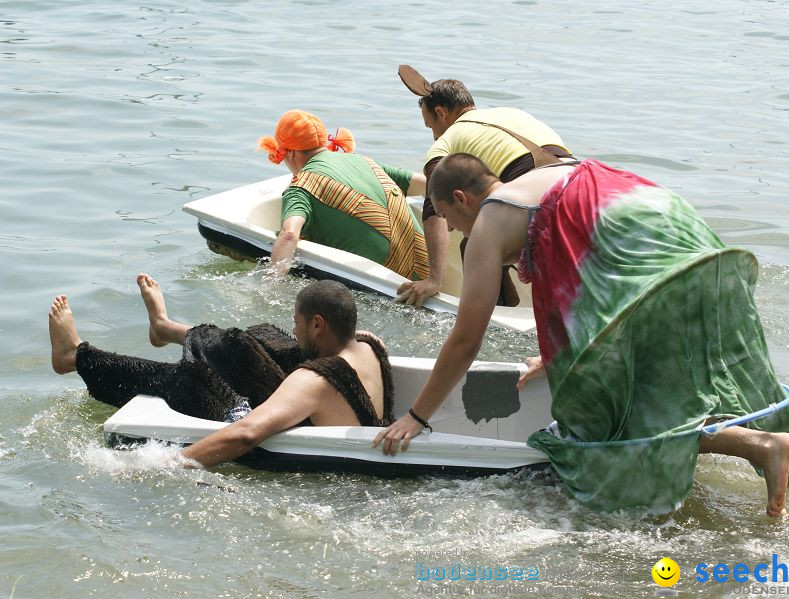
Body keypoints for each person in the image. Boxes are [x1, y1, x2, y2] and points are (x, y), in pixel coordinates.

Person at [373, 153, 789, 516]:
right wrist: (557, 357)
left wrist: (417, 416)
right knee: (675, 375)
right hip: (678, 233)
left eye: (453, 223)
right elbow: (581, 275)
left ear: (461, 199)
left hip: (639, 253)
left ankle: (760, 447)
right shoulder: (544, 177)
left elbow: (465, 338)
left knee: (604, 417)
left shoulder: (491, 220)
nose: (459, 233)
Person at [49, 275, 394, 468]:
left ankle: (74, 356)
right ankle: (165, 328)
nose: (295, 328)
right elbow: (298, 349)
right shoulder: (369, 345)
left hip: (285, 433)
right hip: (317, 413)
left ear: (318, 324)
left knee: (188, 379)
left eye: (298, 322)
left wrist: (163, 464)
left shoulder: (313, 383)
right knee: (253, 340)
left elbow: (245, 436)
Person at [394, 65, 574, 307]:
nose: (434, 136)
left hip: (537, 196)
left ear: (441, 112)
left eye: (431, 126)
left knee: (475, 243)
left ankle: (494, 317)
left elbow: (434, 206)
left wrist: (434, 279)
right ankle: (509, 305)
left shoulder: (445, 141)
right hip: (580, 179)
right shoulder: (511, 113)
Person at [258, 109, 429, 282]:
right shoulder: (364, 161)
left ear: (290, 152)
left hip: (388, 285)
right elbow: (427, 184)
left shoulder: (300, 187)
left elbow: (289, 235)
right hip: (426, 271)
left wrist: (271, 282)